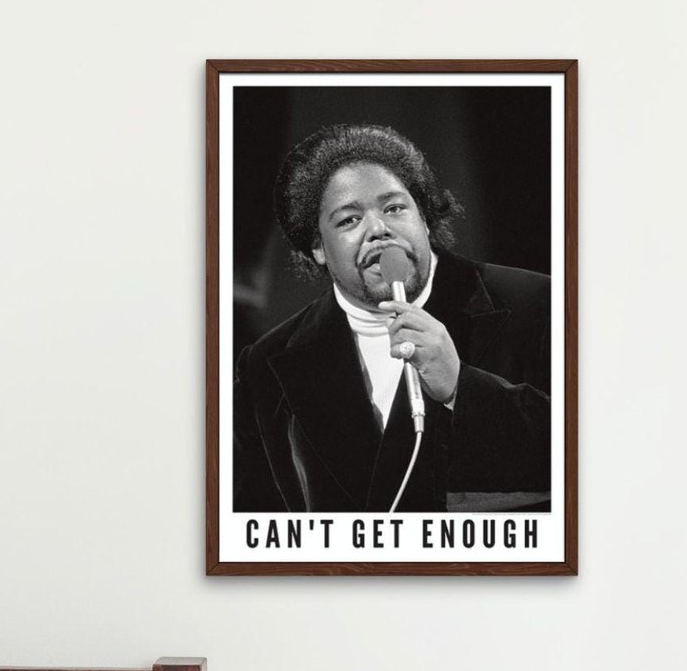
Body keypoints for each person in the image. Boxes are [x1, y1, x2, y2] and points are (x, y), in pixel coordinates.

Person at [234, 123, 551, 513]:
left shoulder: (537, 304)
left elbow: (599, 458)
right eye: (349, 220)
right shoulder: (265, 363)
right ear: (316, 247)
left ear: (425, 218)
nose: (379, 230)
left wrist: (460, 388)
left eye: (395, 208)